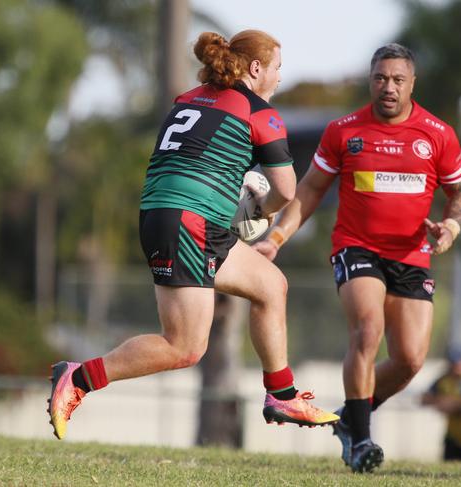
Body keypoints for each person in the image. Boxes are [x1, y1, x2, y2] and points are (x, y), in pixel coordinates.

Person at [47, 30, 338, 440]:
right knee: (184, 347)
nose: (278, 79)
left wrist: (229, 208)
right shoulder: (260, 111)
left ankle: (282, 395)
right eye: (277, 69)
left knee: (272, 286)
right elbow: (287, 190)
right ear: (256, 69)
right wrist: (261, 211)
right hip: (190, 222)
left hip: (174, 215)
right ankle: (78, 378)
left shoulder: (191, 97)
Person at [254, 43, 461, 472]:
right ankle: (361, 442)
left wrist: (450, 226)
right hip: (356, 246)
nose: (387, 87)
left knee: (410, 359)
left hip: (413, 254)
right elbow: (312, 188)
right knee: (367, 329)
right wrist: (277, 236)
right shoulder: (344, 130)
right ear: (370, 80)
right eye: (380, 78)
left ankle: (351, 417)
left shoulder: (438, 133)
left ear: (412, 83)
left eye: (397, 80)